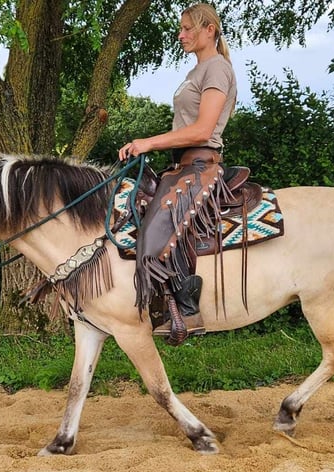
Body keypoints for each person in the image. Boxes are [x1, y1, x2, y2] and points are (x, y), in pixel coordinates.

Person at [119, 2, 237, 342]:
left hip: (200, 163)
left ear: (209, 30)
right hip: (182, 164)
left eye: (188, 28)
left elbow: (202, 131)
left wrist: (148, 143)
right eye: (181, 28)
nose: (181, 34)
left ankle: (186, 309)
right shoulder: (196, 73)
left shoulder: (216, 68)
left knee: (157, 228)